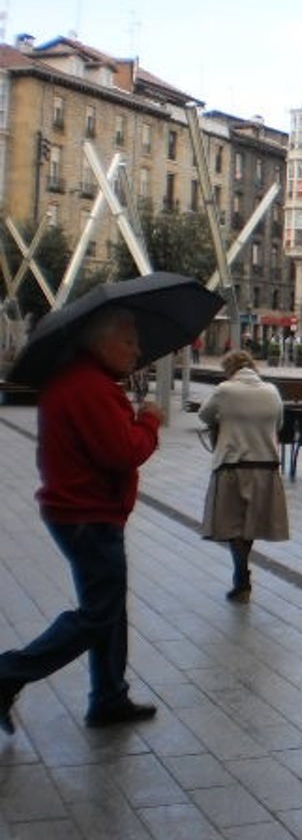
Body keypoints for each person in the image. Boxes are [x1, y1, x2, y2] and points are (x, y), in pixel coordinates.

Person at [0, 306, 162, 734]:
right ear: (102, 343)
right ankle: (8, 672)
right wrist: (149, 421)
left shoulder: (76, 380)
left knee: (109, 609)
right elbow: (122, 452)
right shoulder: (91, 388)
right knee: (98, 613)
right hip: (88, 515)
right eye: (129, 341)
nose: (137, 350)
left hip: (79, 512)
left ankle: (109, 697)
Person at [198, 350, 290, 602]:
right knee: (250, 525)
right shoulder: (272, 391)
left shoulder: (225, 390)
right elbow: (279, 424)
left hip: (232, 466)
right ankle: (242, 575)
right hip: (266, 467)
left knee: (234, 525)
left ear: (229, 369)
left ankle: (241, 577)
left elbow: (204, 415)